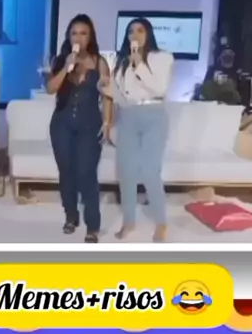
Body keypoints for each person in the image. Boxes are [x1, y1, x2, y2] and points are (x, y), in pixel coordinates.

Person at [100, 17, 173, 242]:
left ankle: (161, 223)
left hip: (154, 116)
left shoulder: (162, 57)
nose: (135, 35)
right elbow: (121, 96)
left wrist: (139, 63)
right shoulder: (121, 61)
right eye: (131, 31)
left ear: (148, 33)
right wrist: (104, 87)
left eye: (140, 30)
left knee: (150, 171)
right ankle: (129, 221)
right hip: (128, 116)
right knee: (126, 172)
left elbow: (159, 89)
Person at [46, 14, 112, 244]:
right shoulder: (60, 60)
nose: (78, 37)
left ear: (90, 36)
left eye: (83, 33)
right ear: (68, 36)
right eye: (74, 33)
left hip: (89, 125)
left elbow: (107, 96)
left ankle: (92, 226)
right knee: (66, 172)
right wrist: (66, 67)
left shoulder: (99, 62)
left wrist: (107, 123)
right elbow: (50, 89)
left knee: (86, 173)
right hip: (61, 124)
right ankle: (71, 215)